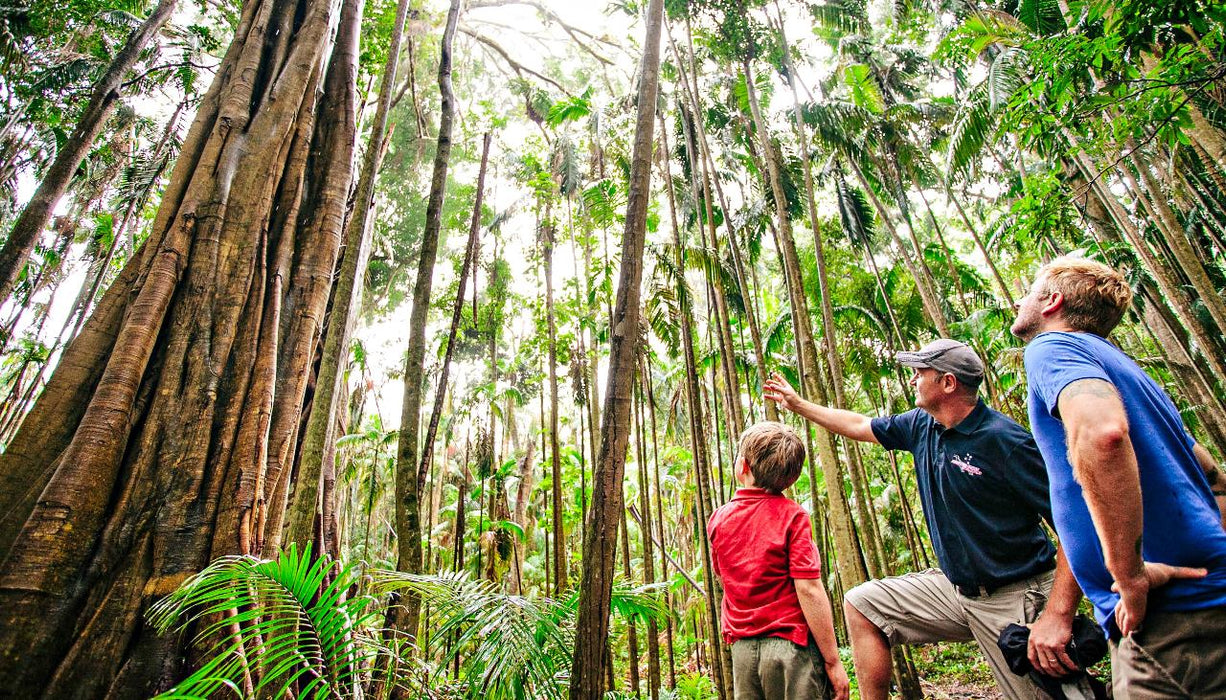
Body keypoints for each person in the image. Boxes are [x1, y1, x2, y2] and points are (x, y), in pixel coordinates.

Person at [765, 340, 1082, 700]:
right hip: (955, 590)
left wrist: (1058, 614)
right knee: (863, 603)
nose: (914, 377)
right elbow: (859, 424)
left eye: (921, 371)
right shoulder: (921, 425)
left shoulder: (1005, 441)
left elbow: (1076, 528)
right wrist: (799, 405)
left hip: (1014, 596)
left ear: (948, 383)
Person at [1011, 256, 1226, 698]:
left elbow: (1103, 433)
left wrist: (1128, 576)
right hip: (1205, 598)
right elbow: (1213, 476)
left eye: (1030, 290)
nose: (1020, 300)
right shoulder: (1129, 371)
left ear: (1052, 301)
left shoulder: (1051, 348)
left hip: (1168, 622)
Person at [707, 421, 851, 700]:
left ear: (743, 467)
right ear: (791, 477)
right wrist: (833, 661)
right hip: (791, 649)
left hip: (743, 652)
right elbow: (808, 588)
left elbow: (723, 577)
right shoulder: (793, 516)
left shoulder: (719, 519)